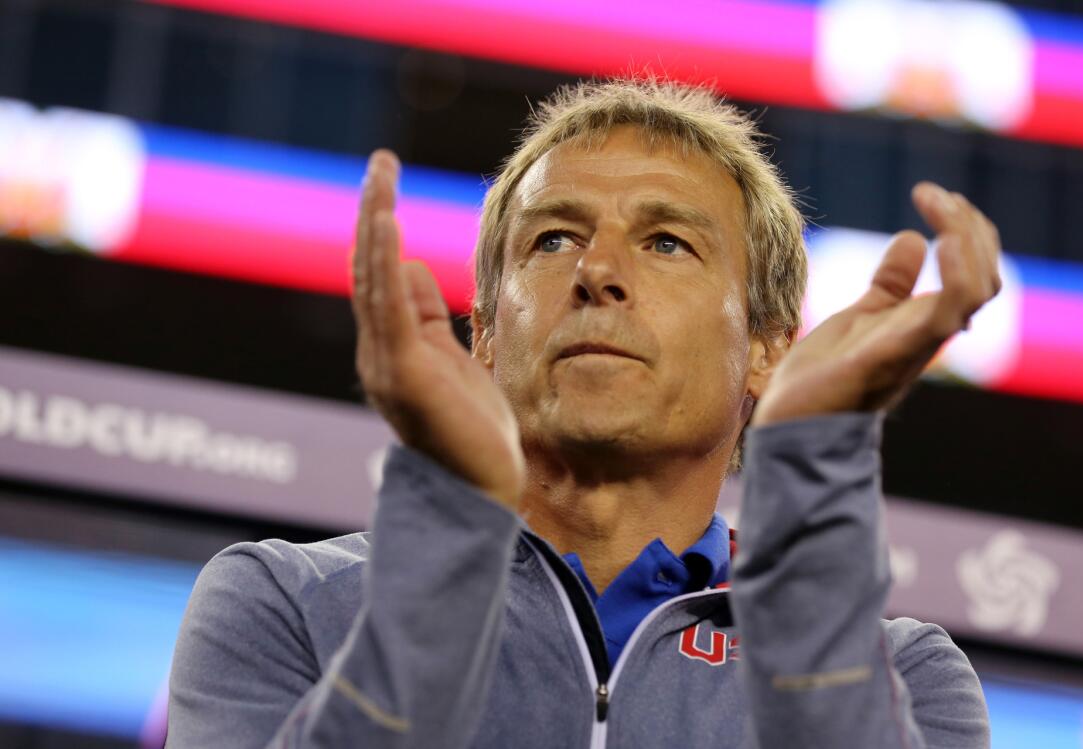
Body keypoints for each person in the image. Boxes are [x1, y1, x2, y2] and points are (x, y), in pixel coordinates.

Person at [166, 79, 998, 748]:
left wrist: (812, 467)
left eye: (667, 241)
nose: (598, 269)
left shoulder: (905, 675)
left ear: (769, 344)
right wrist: (454, 526)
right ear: (487, 332)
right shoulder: (286, 602)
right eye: (553, 239)